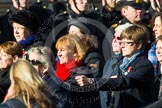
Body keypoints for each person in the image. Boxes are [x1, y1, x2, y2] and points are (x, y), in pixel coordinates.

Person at [75, 25, 158, 108]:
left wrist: (92, 81)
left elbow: (125, 81)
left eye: (128, 43)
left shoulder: (144, 65)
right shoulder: (120, 63)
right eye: (122, 43)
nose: (122, 46)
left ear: (139, 45)